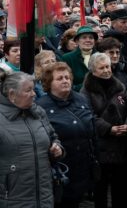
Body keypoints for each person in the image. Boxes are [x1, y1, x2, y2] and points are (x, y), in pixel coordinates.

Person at [0, 71, 64, 207]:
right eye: (28, 90)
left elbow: (53, 137)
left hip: (44, 196)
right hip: (11, 199)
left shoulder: (38, 112)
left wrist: (57, 148)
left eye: (34, 89)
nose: (34, 94)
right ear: (12, 94)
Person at [81, 53, 127, 208]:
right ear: (93, 70)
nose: (107, 70)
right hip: (101, 148)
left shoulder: (119, 85)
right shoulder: (86, 91)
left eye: (108, 66)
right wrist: (109, 129)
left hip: (122, 146)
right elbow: (88, 116)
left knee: (122, 190)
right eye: (102, 68)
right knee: (101, 192)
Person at [37, 63, 96, 208]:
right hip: (61, 169)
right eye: (59, 78)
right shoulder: (41, 106)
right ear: (49, 83)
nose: (65, 81)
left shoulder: (81, 99)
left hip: (84, 165)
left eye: (67, 77)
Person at [62, 26, 98, 91]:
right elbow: (67, 84)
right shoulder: (68, 58)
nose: (88, 40)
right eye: (84, 37)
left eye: (91, 37)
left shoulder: (101, 57)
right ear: (77, 41)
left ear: (94, 41)